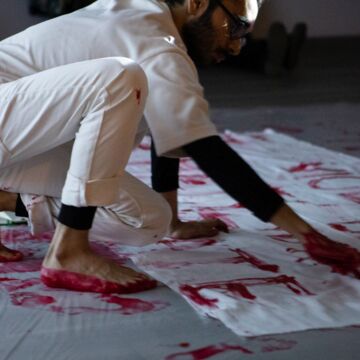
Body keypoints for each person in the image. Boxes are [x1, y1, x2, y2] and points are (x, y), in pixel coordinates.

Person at [0, 0, 358, 293]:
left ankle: (8, 200)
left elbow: (170, 128)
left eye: (244, 36)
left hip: (18, 144)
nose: (235, 46)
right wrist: (306, 234)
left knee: (149, 222)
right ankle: (68, 251)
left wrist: (173, 220)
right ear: (198, 3)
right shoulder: (148, 34)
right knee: (121, 77)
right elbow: (202, 146)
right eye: (235, 27)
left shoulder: (161, 44)